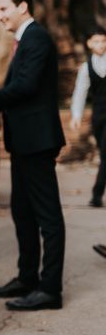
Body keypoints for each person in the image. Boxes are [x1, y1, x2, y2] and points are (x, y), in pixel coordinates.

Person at [0, 0, 66, 311]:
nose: (0, 15)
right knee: (22, 212)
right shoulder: (25, 39)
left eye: (4, 8)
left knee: (48, 217)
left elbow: (26, 86)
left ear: (23, 6)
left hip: (37, 142)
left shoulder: (36, 37)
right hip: (23, 143)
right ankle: (27, 277)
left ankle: (50, 289)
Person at [69, 27, 106, 208]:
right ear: (90, 44)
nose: (100, 45)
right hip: (98, 116)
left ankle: (96, 194)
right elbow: (80, 92)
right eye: (96, 41)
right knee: (103, 152)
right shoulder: (86, 67)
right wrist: (76, 115)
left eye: (103, 41)